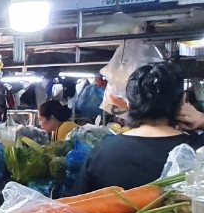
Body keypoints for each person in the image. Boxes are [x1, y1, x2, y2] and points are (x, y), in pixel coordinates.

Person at [70, 62, 201, 194]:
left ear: (128, 103)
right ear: (183, 100)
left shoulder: (102, 151)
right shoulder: (198, 151)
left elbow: (73, 210)